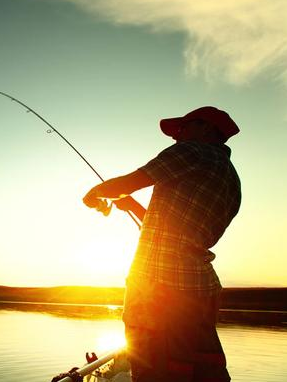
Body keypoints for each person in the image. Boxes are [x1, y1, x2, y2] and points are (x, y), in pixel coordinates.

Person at [83, 106, 241, 382]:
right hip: (201, 289)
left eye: (183, 128)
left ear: (205, 129)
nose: (176, 137)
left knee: (152, 367)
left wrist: (95, 193)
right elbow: (182, 232)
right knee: (200, 365)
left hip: (159, 285)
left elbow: (133, 180)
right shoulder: (231, 178)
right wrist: (132, 205)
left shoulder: (191, 151)